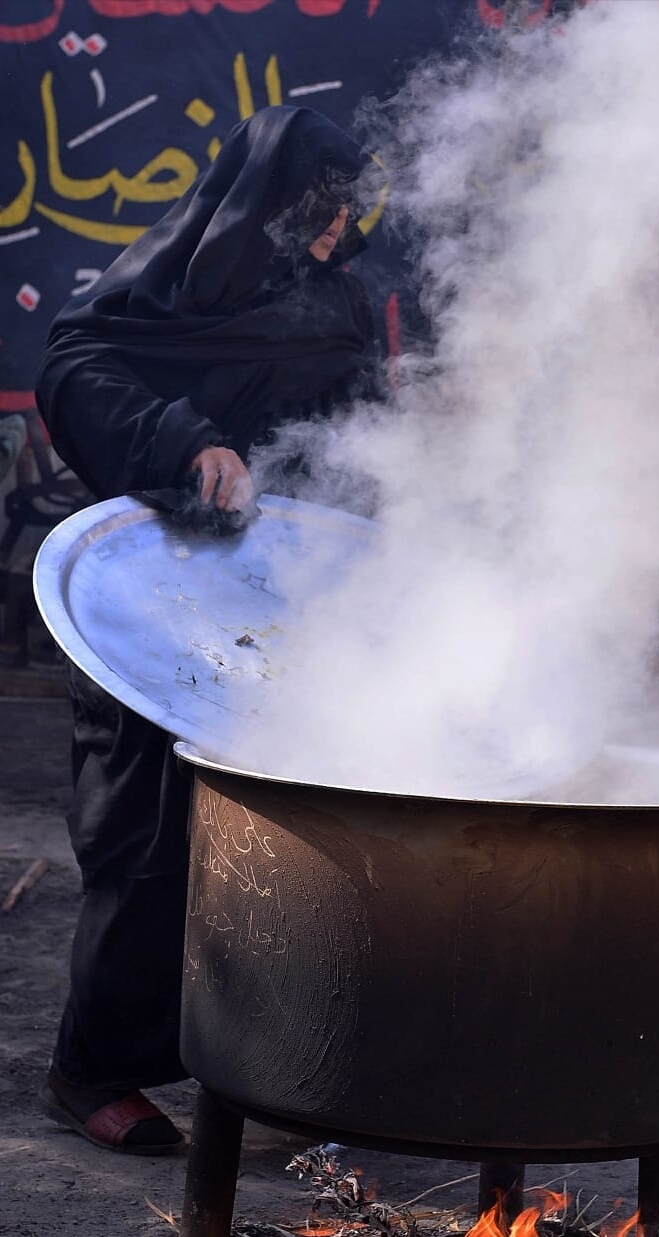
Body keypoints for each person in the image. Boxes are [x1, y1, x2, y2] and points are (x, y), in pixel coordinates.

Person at [33, 105, 381, 1154]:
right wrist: (187, 444)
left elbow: (356, 434)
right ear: (268, 202)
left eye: (347, 207)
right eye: (319, 204)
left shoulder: (339, 302)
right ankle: (90, 1070)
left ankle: (265, 1074)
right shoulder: (170, 286)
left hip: (280, 609)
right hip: (155, 601)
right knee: (146, 845)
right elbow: (76, 369)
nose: (337, 225)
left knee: (286, 846)